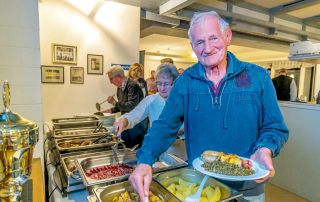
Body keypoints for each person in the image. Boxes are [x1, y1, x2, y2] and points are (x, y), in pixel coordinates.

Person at [129, 11, 289, 202]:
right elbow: (164, 127)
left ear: (227, 36)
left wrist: (265, 149)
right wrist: (145, 160)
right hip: (201, 186)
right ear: (192, 46)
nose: (207, 48)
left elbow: (275, 127)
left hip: (248, 188)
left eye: (213, 38)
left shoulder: (258, 77)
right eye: (199, 42)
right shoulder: (185, 81)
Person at [113, 63, 184, 149]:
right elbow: (134, 115)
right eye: (159, 83)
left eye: (166, 84)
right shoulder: (151, 100)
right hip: (158, 146)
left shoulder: (185, 100)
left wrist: (177, 131)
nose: (162, 88)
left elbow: (195, 124)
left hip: (180, 147)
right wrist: (123, 121)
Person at [101, 66, 147, 147]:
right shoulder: (119, 88)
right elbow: (121, 106)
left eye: (111, 79)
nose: (110, 82)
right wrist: (107, 111)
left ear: (119, 77)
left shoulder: (132, 85)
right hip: (126, 123)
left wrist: (114, 102)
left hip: (137, 126)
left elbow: (131, 106)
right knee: (125, 148)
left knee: (134, 151)